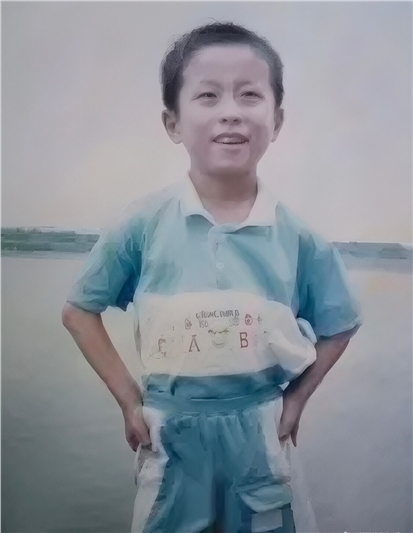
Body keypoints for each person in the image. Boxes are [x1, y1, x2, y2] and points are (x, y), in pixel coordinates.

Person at [62, 22, 363, 533]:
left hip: (262, 432)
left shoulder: (297, 237)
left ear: (277, 119)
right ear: (173, 122)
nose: (231, 111)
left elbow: (342, 323)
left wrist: (296, 399)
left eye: (250, 95)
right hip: (170, 433)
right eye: (208, 95)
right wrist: (129, 400)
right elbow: (78, 312)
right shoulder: (144, 224)